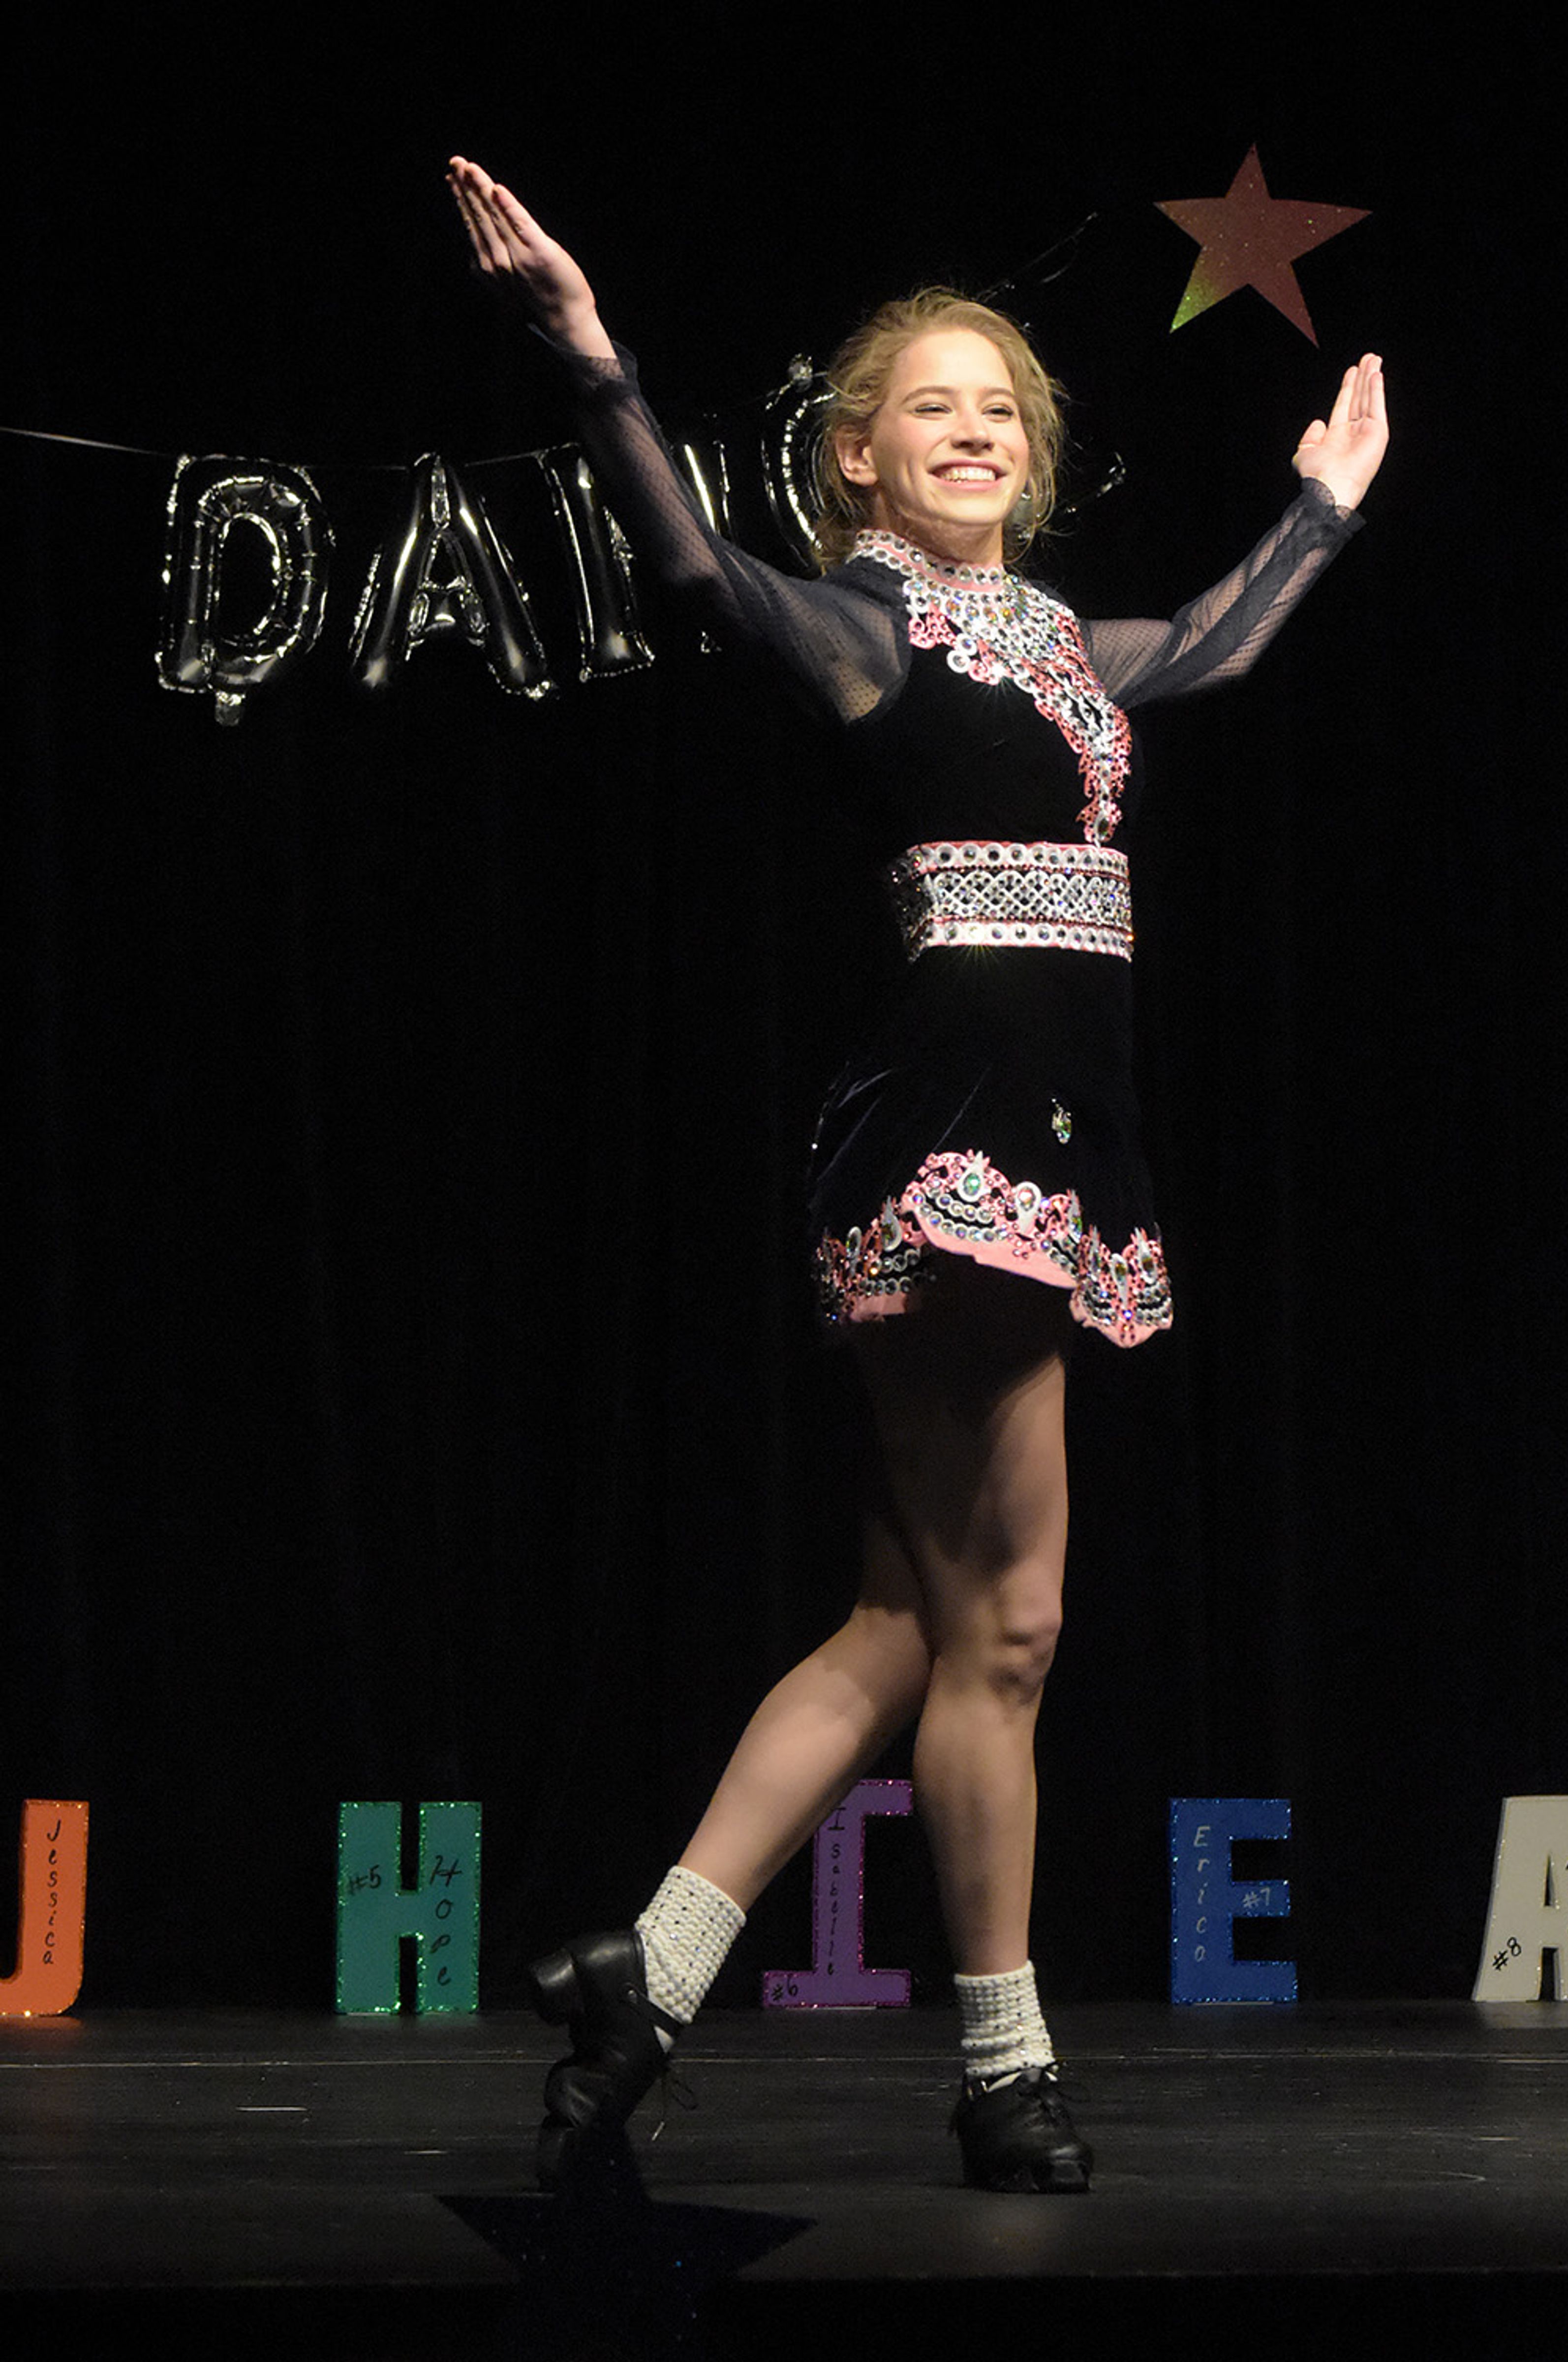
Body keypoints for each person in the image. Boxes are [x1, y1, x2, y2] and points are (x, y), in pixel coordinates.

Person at [446, 156, 1387, 2196]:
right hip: (955, 1129)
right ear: (858, 459)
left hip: (1053, 1128)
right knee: (1016, 1624)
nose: (979, 426)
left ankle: (655, 1965)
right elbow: (698, 575)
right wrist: (594, 364)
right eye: (934, 405)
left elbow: (1210, 650)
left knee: (909, 1615)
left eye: (1007, 408)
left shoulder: (1055, 643)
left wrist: (1321, 513)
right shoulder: (872, 631)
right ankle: (1004, 2065)